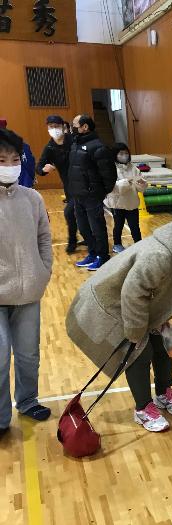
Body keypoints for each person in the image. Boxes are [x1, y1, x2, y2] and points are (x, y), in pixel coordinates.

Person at [65, 202, 172, 432]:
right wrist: (135, 332)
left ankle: (164, 393)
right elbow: (133, 293)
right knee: (139, 353)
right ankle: (143, 408)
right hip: (112, 302)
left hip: (145, 304)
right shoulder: (160, 254)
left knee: (166, 345)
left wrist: (159, 320)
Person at [0, 128, 53, 437]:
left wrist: (42, 271)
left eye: (13, 159)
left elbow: (44, 238)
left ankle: (28, 401)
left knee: (28, 353)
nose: (9, 164)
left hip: (29, 292)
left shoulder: (32, 198)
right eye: (1, 159)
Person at [67, 115, 117, 271]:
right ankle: (93, 253)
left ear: (85, 127)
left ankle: (103, 257)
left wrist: (101, 191)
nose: (72, 127)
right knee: (83, 228)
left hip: (92, 195)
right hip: (78, 196)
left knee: (97, 229)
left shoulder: (98, 146)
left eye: (75, 124)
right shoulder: (75, 144)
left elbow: (109, 173)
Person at [36, 115, 80, 253]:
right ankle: (77, 239)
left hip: (84, 183)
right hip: (69, 187)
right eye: (51, 126)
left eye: (57, 126)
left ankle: (76, 239)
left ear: (63, 127)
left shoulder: (74, 141)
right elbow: (39, 167)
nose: (54, 129)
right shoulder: (50, 147)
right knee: (74, 213)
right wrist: (43, 169)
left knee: (70, 212)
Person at [104, 143, 147, 253]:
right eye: (121, 153)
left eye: (126, 153)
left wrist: (142, 183)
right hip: (117, 204)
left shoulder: (134, 168)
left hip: (132, 203)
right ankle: (117, 244)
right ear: (115, 155)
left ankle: (139, 243)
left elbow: (140, 189)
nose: (124, 155)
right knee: (118, 225)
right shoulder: (111, 168)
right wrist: (127, 182)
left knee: (135, 226)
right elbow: (113, 188)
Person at [0, 118, 36, 188]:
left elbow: (29, 163)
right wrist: (32, 177)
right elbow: (30, 163)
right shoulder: (21, 144)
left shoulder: (21, 145)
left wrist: (32, 177)